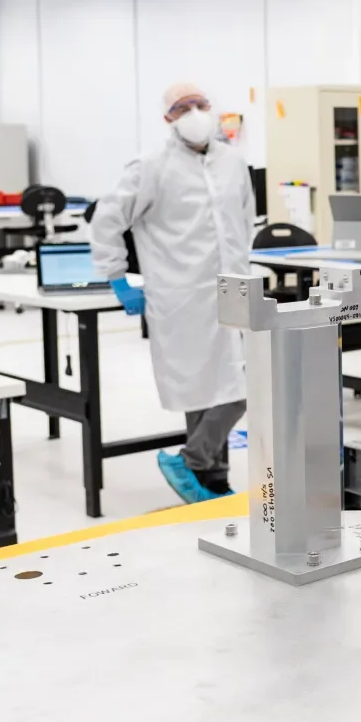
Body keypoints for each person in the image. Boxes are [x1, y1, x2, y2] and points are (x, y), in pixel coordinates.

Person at [90, 81, 256, 503]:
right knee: (203, 388)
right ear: (168, 119)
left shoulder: (233, 163)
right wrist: (116, 275)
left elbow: (244, 221)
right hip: (180, 295)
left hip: (231, 289)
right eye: (183, 107)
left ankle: (205, 472)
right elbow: (108, 218)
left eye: (200, 103)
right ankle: (204, 471)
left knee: (235, 383)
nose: (195, 112)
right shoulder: (151, 165)